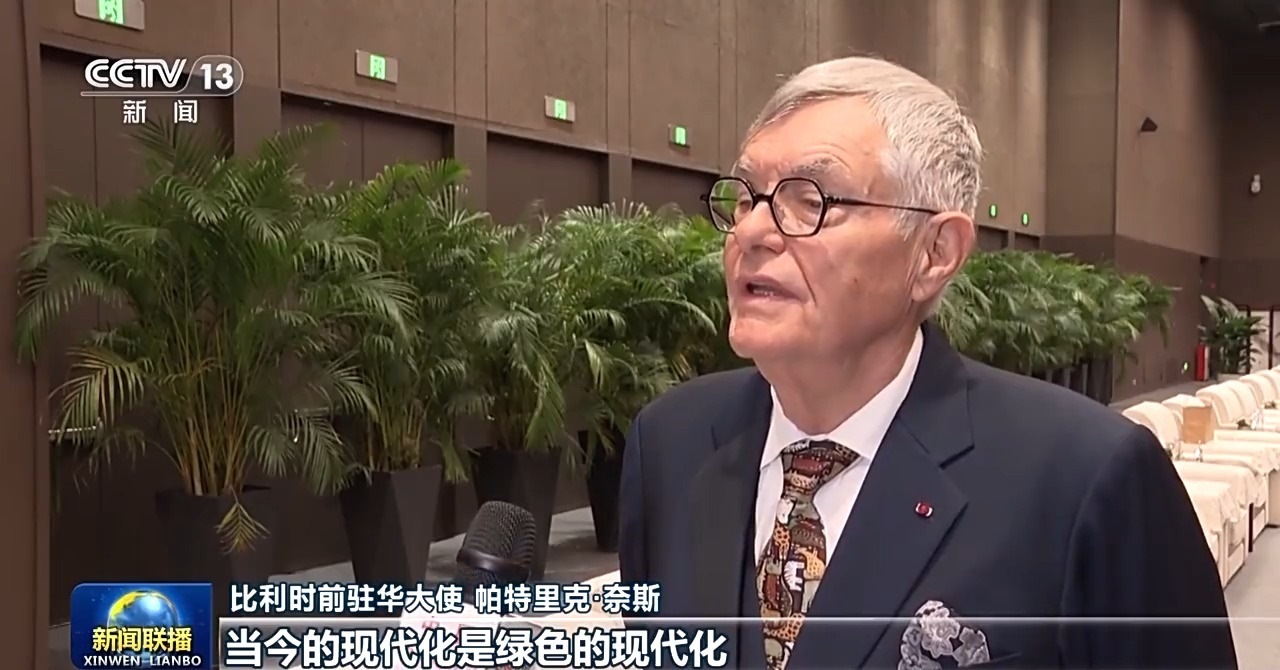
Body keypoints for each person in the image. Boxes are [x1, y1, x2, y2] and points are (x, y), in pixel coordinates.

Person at [617, 56, 1236, 670]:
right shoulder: (670, 444)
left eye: (810, 201)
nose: (752, 232)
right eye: (746, 197)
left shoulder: (1088, 479)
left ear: (935, 253)